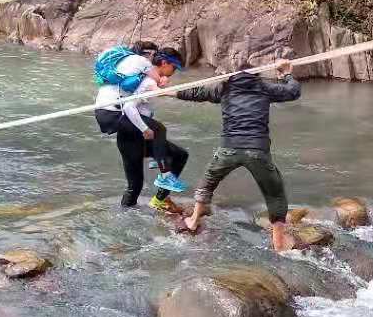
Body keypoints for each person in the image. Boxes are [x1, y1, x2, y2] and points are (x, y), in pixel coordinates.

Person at [175, 57, 301, 251]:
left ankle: (193, 220)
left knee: (209, 180)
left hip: (229, 148)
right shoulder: (264, 87)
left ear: (234, 75)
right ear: (257, 75)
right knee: (275, 193)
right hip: (257, 151)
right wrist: (286, 74)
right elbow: (293, 91)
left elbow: (196, 93)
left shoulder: (225, 87)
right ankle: (279, 242)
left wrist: (165, 92)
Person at [94, 45, 190, 209]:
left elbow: (140, 107)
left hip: (128, 127)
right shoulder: (145, 73)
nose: (174, 72)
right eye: (173, 68)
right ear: (165, 63)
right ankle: (163, 172)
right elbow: (131, 106)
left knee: (179, 155)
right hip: (125, 128)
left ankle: (159, 200)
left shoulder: (136, 75)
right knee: (135, 185)